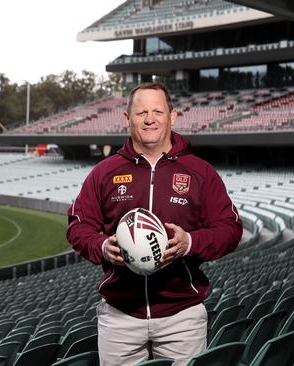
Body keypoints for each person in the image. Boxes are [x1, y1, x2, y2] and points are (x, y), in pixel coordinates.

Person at [67, 81, 242, 365]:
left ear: (172, 116)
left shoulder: (200, 172)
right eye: (141, 113)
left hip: (182, 316)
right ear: (127, 119)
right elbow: (78, 225)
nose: (150, 119)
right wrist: (101, 246)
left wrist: (190, 243)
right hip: (120, 316)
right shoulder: (104, 173)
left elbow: (230, 228)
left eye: (158, 111)